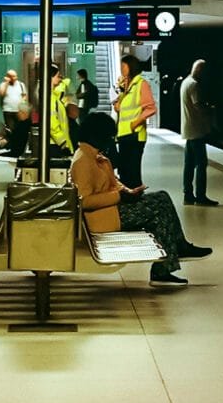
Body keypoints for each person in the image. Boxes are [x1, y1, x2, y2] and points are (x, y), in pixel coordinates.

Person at [70, 111, 211, 287]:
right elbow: (85, 201)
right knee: (158, 210)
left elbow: (113, 183)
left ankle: (177, 248)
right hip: (105, 218)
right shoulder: (83, 161)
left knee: (162, 197)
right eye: (109, 136)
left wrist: (128, 192)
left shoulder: (93, 156)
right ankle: (164, 268)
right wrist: (118, 196)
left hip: (112, 210)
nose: (111, 141)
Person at [113, 53, 156, 187]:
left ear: (131, 66)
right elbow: (120, 108)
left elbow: (151, 108)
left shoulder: (141, 84)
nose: (121, 69)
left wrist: (135, 123)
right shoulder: (128, 86)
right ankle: (128, 200)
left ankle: (136, 201)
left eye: (123, 66)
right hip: (124, 134)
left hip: (135, 134)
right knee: (124, 171)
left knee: (132, 171)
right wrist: (120, 91)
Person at [181, 58, 217, 206]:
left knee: (189, 164)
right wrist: (211, 110)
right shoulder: (194, 85)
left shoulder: (185, 82)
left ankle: (188, 195)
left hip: (188, 129)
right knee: (201, 164)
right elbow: (198, 106)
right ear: (200, 70)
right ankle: (201, 196)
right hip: (196, 130)